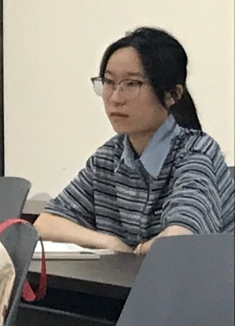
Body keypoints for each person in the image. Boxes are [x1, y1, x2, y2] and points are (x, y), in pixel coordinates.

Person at [35, 27, 233, 255]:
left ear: (172, 94)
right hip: (131, 278)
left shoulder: (196, 152)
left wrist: (138, 251)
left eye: (131, 84)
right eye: (109, 82)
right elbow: (46, 223)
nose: (115, 98)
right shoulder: (109, 157)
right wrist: (108, 242)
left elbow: (180, 239)